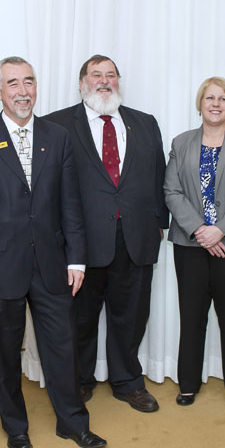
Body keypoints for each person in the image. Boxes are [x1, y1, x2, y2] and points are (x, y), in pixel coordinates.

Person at [0, 56, 106, 448]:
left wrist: (76, 259)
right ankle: (16, 427)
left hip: (52, 264)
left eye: (29, 82)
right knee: (5, 353)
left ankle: (73, 423)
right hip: (0, 267)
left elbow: (70, 204)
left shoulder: (57, 137)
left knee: (63, 347)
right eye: (13, 84)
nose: (23, 91)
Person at [45, 55, 169, 413]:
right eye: (96, 75)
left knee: (130, 317)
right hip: (80, 243)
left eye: (110, 75)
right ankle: (79, 380)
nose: (104, 81)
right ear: (81, 83)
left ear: (119, 81)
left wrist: (159, 223)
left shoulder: (144, 124)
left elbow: (157, 176)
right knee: (79, 318)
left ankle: (127, 381)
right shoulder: (57, 125)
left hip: (135, 238)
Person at [163, 77, 225, 414]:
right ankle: (188, 385)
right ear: (200, 103)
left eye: (223, 98)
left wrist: (219, 231)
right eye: (210, 98)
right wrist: (200, 231)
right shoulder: (181, 142)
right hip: (190, 245)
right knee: (192, 316)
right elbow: (171, 192)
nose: (216, 104)